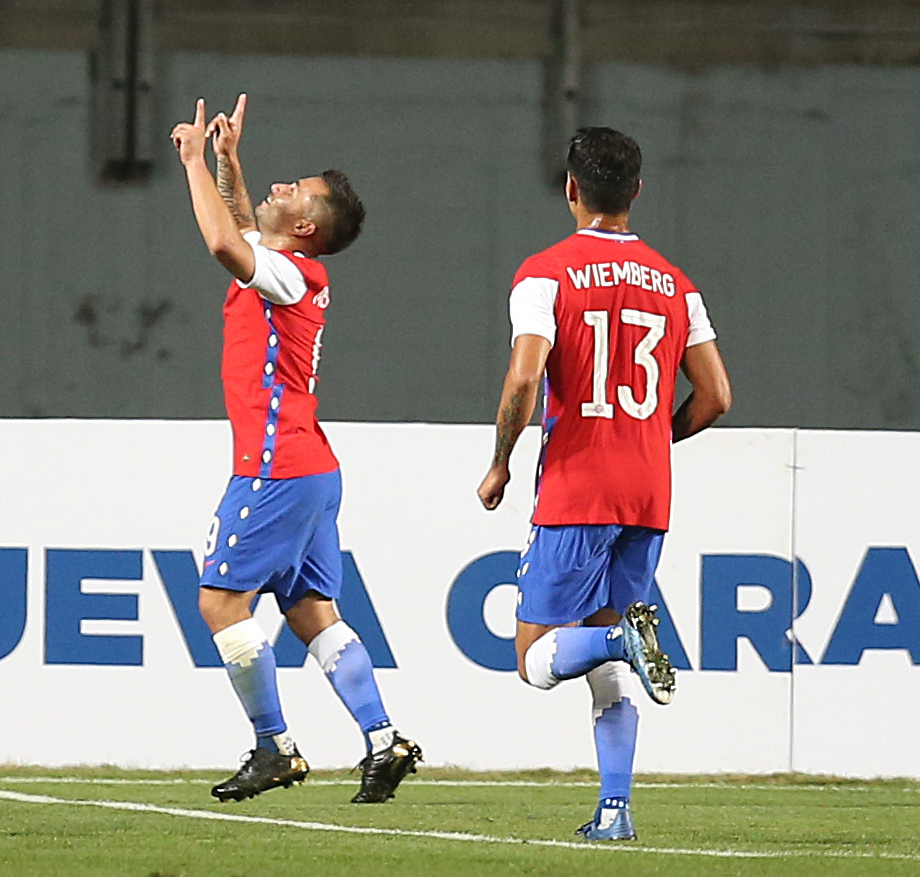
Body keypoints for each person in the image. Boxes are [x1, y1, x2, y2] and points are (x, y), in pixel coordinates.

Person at [476, 127, 731, 841]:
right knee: (598, 657)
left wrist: (500, 460)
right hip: (648, 493)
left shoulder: (544, 273)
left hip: (578, 485)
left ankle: (625, 639)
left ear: (570, 189)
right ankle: (615, 811)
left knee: (534, 659)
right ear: (637, 192)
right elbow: (716, 395)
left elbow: (526, 373)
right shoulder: (678, 284)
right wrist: (650, 436)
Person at [170, 94, 421, 804]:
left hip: (275, 466)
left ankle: (274, 745)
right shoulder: (289, 266)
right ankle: (382, 738)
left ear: (307, 225)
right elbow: (246, 229)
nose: (283, 187)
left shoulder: (292, 275)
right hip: (313, 468)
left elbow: (226, 243)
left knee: (221, 603)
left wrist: (191, 164)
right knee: (313, 614)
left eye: (296, 191)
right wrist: (229, 165)